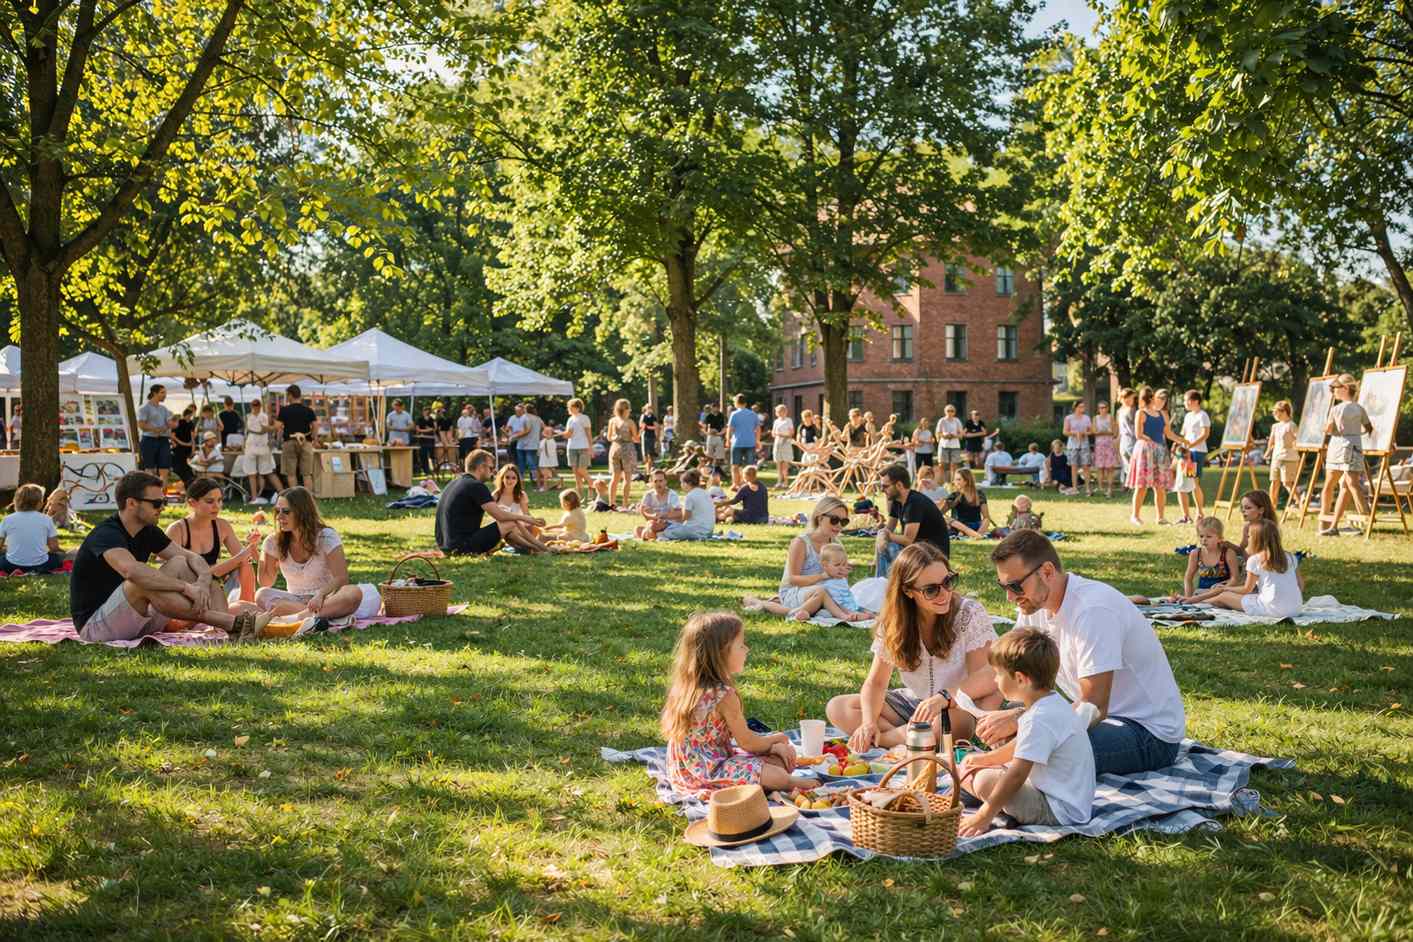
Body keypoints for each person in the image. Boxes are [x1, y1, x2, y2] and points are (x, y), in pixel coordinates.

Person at [984, 530, 1186, 776]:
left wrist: (1022, 719)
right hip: (1098, 719)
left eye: (1015, 586)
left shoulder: (1093, 610)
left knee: (1036, 751)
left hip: (1148, 733)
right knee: (1022, 741)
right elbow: (1008, 666)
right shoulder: (1033, 604)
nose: (1009, 597)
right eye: (1003, 586)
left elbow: (1094, 704)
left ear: (1047, 572)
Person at [827, 542, 1001, 749]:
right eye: (931, 590)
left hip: (957, 706)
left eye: (948, 581)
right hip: (914, 704)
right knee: (838, 707)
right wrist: (868, 723)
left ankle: (885, 740)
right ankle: (905, 737)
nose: (944, 593)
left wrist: (944, 698)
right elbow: (876, 683)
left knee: (943, 726)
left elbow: (983, 677)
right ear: (908, 591)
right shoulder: (895, 622)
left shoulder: (968, 613)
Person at [70, 471, 269, 643]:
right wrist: (185, 587)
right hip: (97, 627)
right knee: (140, 580)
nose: (162, 508)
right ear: (131, 503)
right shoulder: (107, 534)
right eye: (156, 503)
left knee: (182, 563)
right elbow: (130, 570)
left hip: (138, 620)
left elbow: (191, 558)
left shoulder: (148, 530)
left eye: (163, 502)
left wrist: (201, 581)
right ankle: (233, 624)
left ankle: (225, 631)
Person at [959, 628, 1096, 835]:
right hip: (1068, 802)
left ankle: (997, 810)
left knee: (984, 780)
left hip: (1056, 810)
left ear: (1021, 679)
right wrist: (986, 759)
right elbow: (1020, 747)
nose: (995, 681)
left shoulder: (1038, 719)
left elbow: (1017, 774)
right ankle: (993, 798)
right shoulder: (1052, 703)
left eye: (998, 674)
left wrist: (983, 816)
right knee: (975, 767)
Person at [662, 611, 814, 797]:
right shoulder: (724, 695)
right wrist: (775, 739)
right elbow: (748, 742)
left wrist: (773, 747)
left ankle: (770, 774)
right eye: (741, 645)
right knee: (777, 775)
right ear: (722, 652)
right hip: (707, 772)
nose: (747, 650)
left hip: (688, 767)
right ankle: (793, 783)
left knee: (780, 758)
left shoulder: (686, 686)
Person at [255, 487, 381, 625]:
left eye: (286, 511)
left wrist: (320, 595)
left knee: (353, 592)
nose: (279, 517)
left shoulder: (326, 536)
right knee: (262, 594)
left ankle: (295, 618)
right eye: (277, 511)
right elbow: (266, 582)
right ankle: (323, 617)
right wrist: (255, 550)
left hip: (329, 598)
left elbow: (342, 578)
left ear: (302, 512)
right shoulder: (274, 541)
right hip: (297, 600)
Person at [743, 495, 849, 617]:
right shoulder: (801, 543)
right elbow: (793, 580)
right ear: (820, 519)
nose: (839, 525)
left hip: (819, 591)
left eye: (844, 521)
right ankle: (791, 612)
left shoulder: (836, 544)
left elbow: (839, 580)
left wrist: (841, 572)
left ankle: (766, 604)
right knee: (822, 597)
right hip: (795, 591)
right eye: (834, 520)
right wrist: (823, 576)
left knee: (829, 608)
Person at [436, 450, 553, 555]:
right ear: (481, 467)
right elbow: (500, 516)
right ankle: (541, 548)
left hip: (445, 546)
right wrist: (526, 518)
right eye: (491, 468)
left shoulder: (454, 483)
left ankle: (536, 548)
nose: (492, 472)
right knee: (511, 521)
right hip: (461, 547)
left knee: (508, 526)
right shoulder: (476, 486)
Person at [1182, 519, 1303, 618]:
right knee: (1237, 596)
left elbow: (1246, 589)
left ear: (1257, 540)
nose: (1247, 540)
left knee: (1223, 596)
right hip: (1296, 608)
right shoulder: (1291, 557)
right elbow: (1300, 585)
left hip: (1272, 609)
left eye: (1249, 536)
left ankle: (1196, 602)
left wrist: (1226, 588)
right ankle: (1196, 599)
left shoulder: (1255, 560)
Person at [165, 477, 260, 599]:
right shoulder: (177, 529)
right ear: (192, 503)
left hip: (215, 584)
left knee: (245, 564)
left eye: (220, 500)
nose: (217, 506)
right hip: (187, 587)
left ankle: (245, 605)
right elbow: (170, 573)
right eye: (210, 501)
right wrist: (242, 556)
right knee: (240, 559)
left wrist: (253, 545)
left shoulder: (222, 526)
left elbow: (248, 558)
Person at [1320, 373, 1374, 536]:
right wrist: (1355, 433)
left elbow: (1328, 429)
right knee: (1347, 485)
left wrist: (1326, 428)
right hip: (1354, 447)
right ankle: (1337, 524)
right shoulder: (1359, 408)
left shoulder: (1336, 408)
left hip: (1337, 448)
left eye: (1335, 388)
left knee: (1330, 485)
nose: (1333, 391)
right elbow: (1369, 428)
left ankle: (1326, 524)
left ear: (1344, 388)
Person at [874, 463, 950, 578]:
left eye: (885, 486)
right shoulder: (897, 500)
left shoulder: (914, 502)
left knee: (891, 546)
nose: (882, 490)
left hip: (933, 556)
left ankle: (889, 585)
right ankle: (881, 582)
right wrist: (882, 534)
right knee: (885, 540)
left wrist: (886, 535)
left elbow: (908, 540)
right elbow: (889, 528)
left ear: (899, 485)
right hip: (919, 550)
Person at [1128, 387, 1172, 526]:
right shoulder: (1140, 413)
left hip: (1159, 451)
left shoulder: (1161, 414)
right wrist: (1152, 441)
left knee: (1159, 486)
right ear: (1151, 398)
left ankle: (1160, 517)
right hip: (1145, 451)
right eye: (1152, 397)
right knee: (1141, 486)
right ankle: (1135, 516)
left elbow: (1168, 434)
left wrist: (1181, 441)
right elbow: (1138, 434)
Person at [1, 483, 65, 573]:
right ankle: (35, 570)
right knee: (57, 557)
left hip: (11, 565)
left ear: (15, 502)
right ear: (40, 504)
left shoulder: (7, 519)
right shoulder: (46, 519)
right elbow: (54, 547)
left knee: (3, 558)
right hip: (41, 564)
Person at [1177, 517, 1241, 597]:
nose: (1204, 539)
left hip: (1222, 593)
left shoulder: (1228, 553)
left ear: (1220, 538)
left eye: (1209, 537)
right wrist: (1188, 597)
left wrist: (1224, 588)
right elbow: (1188, 578)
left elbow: (1235, 579)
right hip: (1201, 594)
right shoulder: (1196, 554)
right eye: (1201, 536)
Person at [1176, 390, 1211, 522]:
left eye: (1187, 400)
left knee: (1193, 482)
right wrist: (1180, 445)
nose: (1185, 403)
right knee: (1182, 482)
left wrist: (1191, 445)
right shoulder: (1188, 416)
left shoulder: (1203, 415)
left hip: (1196, 452)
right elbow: (1184, 434)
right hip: (1185, 452)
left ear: (1195, 401)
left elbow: (1205, 434)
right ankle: (1185, 515)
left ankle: (1200, 512)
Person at [655, 468, 716, 541]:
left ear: (688, 483)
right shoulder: (705, 493)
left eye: (682, 483)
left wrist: (670, 520)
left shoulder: (690, 496)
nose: (681, 485)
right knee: (674, 527)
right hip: (709, 531)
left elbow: (685, 517)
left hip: (696, 531)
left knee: (669, 530)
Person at [276, 386, 318, 488]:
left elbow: (279, 427)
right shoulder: (308, 410)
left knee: (291, 474)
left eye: (287, 395)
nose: (287, 397)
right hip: (305, 442)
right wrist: (313, 439)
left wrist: (278, 442)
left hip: (289, 442)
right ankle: (308, 499)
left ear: (290, 395)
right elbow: (315, 426)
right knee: (307, 474)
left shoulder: (284, 410)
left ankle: (295, 499)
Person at [239, 398, 280, 505]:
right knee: (252, 473)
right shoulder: (249, 416)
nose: (255, 407)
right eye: (254, 405)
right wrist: (271, 428)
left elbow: (261, 430)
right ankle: (254, 498)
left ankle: (282, 494)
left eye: (257, 405)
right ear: (252, 406)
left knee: (268, 472)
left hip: (261, 446)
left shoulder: (264, 416)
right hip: (252, 445)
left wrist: (270, 429)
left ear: (260, 406)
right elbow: (258, 430)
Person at [136, 385, 175, 486]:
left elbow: (170, 424)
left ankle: (163, 495)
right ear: (154, 393)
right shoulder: (144, 408)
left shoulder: (164, 409)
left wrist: (172, 423)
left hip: (163, 440)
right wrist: (155, 429)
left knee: (164, 469)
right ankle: (150, 493)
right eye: (162, 392)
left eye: (165, 393)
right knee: (150, 469)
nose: (165, 395)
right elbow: (141, 425)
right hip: (149, 440)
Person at [943, 468, 997, 539]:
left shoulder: (979, 494)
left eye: (958, 479)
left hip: (976, 527)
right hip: (959, 527)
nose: (954, 482)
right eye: (955, 479)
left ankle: (974, 534)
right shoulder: (954, 496)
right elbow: (939, 513)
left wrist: (979, 532)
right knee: (947, 519)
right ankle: (971, 534)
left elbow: (986, 518)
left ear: (966, 481)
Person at [606, 398, 639, 509]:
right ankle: (624, 504)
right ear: (626, 409)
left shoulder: (612, 421)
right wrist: (641, 433)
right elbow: (636, 439)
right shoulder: (630, 422)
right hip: (627, 450)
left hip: (615, 448)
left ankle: (612, 503)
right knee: (627, 478)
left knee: (614, 478)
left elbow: (609, 437)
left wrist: (616, 437)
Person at [1265, 400, 1299, 506]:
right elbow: (1272, 442)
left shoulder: (1291, 425)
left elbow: (1299, 439)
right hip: (1276, 457)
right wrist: (1268, 452)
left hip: (1289, 458)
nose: (1274, 414)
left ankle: (1300, 503)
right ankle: (1272, 507)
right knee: (1274, 482)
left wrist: (1295, 444)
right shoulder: (1275, 426)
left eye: (1276, 412)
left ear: (1284, 412)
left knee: (1287, 483)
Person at [726, 394, 761, 489]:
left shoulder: (734, 414)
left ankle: (735, 484)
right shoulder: (753, 414)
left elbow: (730, 428)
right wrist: (758, 441)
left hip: (737, 442)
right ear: (745, 403)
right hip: (750, 442)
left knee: (735, 465)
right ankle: (751, 484)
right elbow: (758, 428)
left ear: (736, 403)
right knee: (750, 466)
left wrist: (727, 440)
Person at [562, 398, 594, 502]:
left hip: (583, 447)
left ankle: (593, 486)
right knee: (576, 474)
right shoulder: (570, 419)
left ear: (576, 407)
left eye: (570, 407)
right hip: (571, 447)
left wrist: (591, 448)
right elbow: (568, 435)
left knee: (581, 470)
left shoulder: (584, 418)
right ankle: (579, 497)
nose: (568, 409)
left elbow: (589, 434)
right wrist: (560, 433)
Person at [635, 469, 680, 540]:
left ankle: (651, 535)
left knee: (651, 526)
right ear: (652, 483)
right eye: (655, 481)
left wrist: (663, 516)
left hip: (669, 524)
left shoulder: (672, 494)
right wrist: (653, 516)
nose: (658, 484)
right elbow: (644, 510)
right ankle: (656, 535)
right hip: (653, 522)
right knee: (637, 529)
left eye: (661, 481)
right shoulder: (648, 495)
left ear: (665, 482)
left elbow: (678, 513)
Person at [1063, 401, 1094, 496]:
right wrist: (1075, 433)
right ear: (1075, 408)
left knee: (1086, 467)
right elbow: (1065, 432)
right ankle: (1075, 488)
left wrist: (1084, 433)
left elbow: (1091, 431)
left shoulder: (1086, 418)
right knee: (1074, 467)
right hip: (1072, 446)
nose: (1082, 408)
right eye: (1080, 407)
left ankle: (1088, 489)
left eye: (1083, 406)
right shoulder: (1068, 418)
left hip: (1084, 445)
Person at [1235, 488, 1277, 555]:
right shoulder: (1247, 526)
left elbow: (1260, 554)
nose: (1243, 511)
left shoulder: (1267, 528)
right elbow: (1241, 548)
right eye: (1242, 508)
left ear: (1261, 510)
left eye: (1248, 508)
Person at [1092, 400, 1120, 497]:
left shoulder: (1110, 418)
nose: (1102, 409)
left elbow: (1114, 432)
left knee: (1109, 468)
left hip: (1109, 445)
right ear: (1098, 409)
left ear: (1107, 408)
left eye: (1104, 407)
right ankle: (1100, 488)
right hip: (1099, 446)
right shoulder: (1095, 418)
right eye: (1100, 408)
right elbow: (1094, 432)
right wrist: (1107, 432)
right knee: (1100, 468)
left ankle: (1109, 488)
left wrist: (1103, 432)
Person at [935, 405, 964, 482]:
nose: (950, 412)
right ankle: (945, 482)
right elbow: (938, 433)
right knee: (944, 465)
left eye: (952, 411)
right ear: (945, 412)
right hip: (944, 445)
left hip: (955, 446)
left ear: (954, 412)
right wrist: (944, 436)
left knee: (954, 465)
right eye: (948, 411)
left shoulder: (957, 421)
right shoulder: (942, 420)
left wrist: (954, 436)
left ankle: (954, 482)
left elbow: (961, 434)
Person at [1116, 388, 1138, 488]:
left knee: (1135, 463)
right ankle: (1128, 484)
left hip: (1133, 439)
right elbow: (1120, 427)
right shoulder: (1120, 411)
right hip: (1124, 440)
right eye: (1129, 398)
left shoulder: (1134, 410)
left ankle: (1134, 485)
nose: (1131, 400)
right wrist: (1117, 439)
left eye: (1133, 398)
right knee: (1126, 464)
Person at [170, 404, 196, 485]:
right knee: (179, 466)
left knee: (185, 465)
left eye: (191, 416)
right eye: (189, 416)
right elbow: (172, 436)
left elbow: (192, 437)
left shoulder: (191, 423)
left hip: (187, 448)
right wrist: (182, 443)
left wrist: (193, 448)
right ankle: (182, 481)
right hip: (179, 448)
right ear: (186, 415)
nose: (190, 418)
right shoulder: (179, 422)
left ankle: (188, 482)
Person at [770, 404, 795, 488]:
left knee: (785, 464)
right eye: (778, 412)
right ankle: (779, 482)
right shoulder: (776, 421)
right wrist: (776, 434)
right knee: (778, 463)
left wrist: (782, 435)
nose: (779, 413)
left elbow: (791, 433)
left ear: (785, 412)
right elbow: (773, 433)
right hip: (777, 444)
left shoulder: (789, 420)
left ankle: (786, 482)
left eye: (781, 411)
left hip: (786, 444)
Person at [413, 407, 438, 476]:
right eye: (425, 411)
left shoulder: (432, 419)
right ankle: (426, 470)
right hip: (422, 440)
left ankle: (434, 469)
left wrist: (426, 430)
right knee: (423, 455)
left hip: (431, 440)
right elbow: (418, 429)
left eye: (428, 411)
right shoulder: (419, 419)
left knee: (432, 455)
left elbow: (435, 429)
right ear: (423, 411)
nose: (426, 412)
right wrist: (428, 430)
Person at [536, 421, 560, 492]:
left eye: (547, 432)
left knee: (545, 473)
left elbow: (540, 451)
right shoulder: (548, 441)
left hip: (546, 460)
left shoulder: (548, 441)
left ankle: (545, 486)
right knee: (546, 472)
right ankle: (541, 485)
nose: (545, 433)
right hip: (547, 460)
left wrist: (538, 453)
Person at [639, 403, 658, 470]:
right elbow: (641, 425)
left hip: (651, 436)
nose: (650, 409)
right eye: (649, 408)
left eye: (651, 408)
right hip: (644, 436)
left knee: (651, 453)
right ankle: (646, 469)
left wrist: (647, 427)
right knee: (645, 453)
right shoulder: (643, 416)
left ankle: (650, 468)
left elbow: (656, 427)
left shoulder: (653, 417)